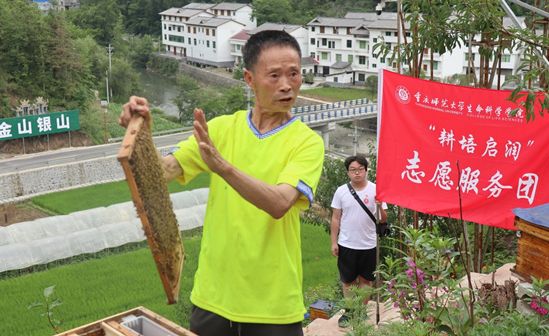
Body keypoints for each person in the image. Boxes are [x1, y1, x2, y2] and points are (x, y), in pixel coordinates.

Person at [119, 30, 324, 336]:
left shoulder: (307, 142)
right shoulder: (221, 129)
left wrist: (222, 167)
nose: (286, 85)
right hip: (212, 301)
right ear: (249, 79)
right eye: (274, 75)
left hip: (273, 308)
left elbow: (280, 203)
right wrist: (141, 133)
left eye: (294, 74)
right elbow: (159, 174)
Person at [330, 155, 388, 327]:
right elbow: (335, 219)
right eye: (353, 170)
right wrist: (334, 242)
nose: (357, 173)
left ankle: (361, 312)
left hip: (368, 243)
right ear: (348, 172)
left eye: (360, 169)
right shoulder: (341, 191)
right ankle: (349, 311)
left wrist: (379, 205)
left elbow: (383, 220)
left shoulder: (376, 190)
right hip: (347, 243)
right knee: (348, 281)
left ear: (366, 170)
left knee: (366, 281)